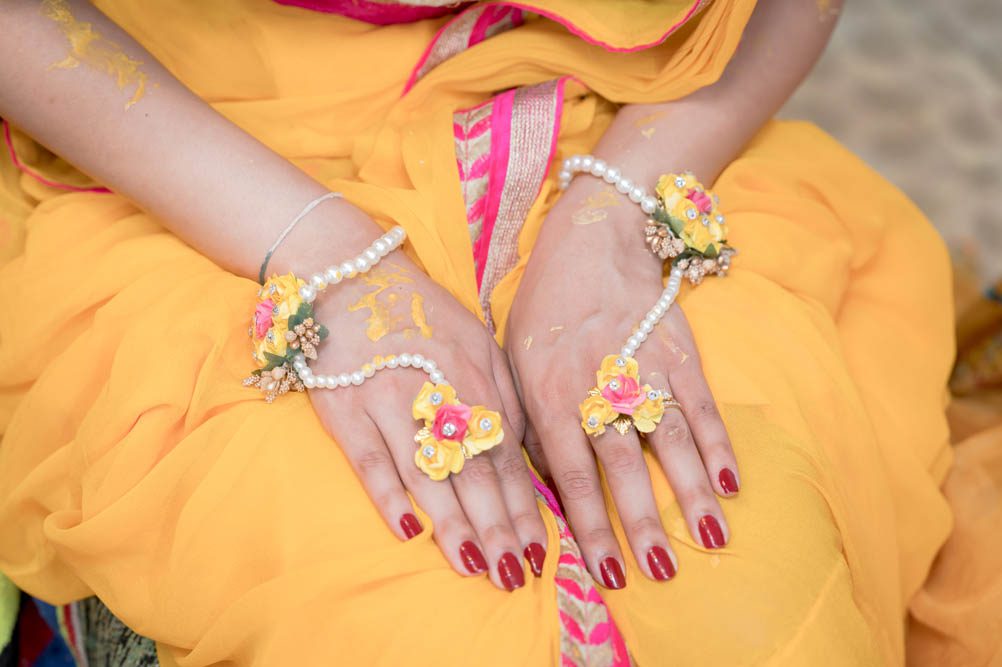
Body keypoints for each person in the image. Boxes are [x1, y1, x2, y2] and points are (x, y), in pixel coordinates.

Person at [0, 0, 997, 664]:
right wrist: (327, 259)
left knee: (750, 587)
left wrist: (611, 216)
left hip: (632, 115)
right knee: (407, 619)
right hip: (183, 148)